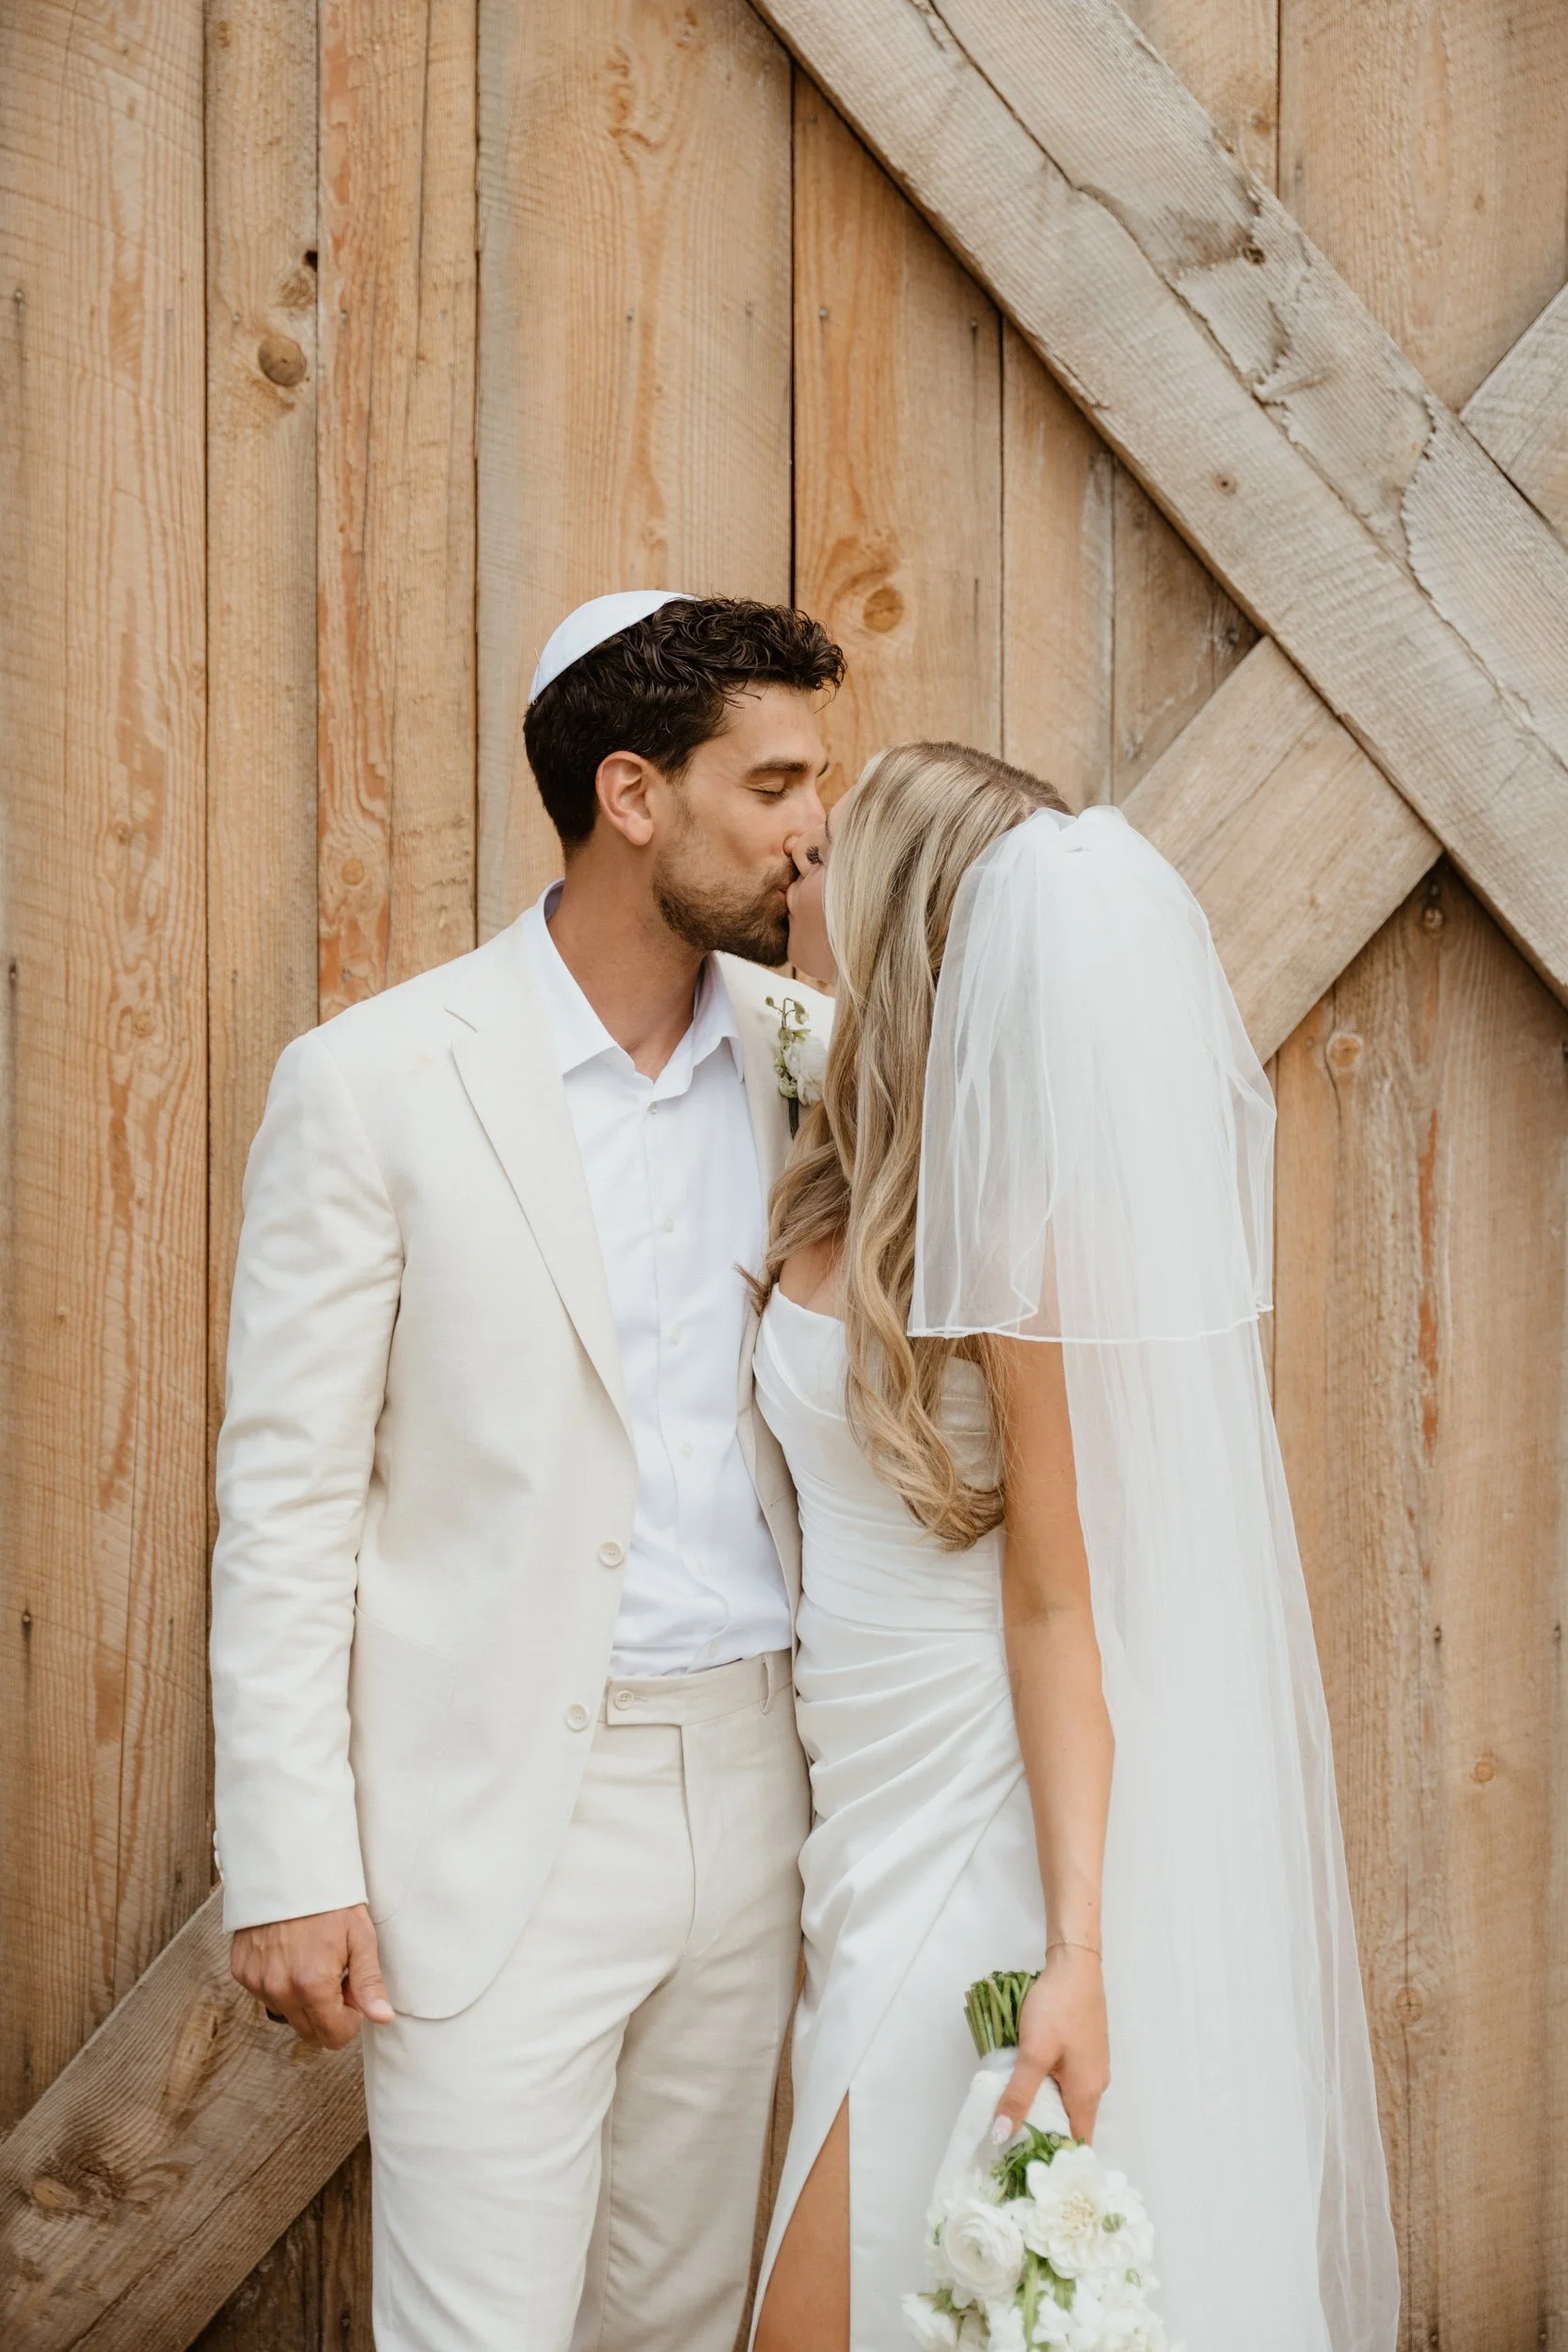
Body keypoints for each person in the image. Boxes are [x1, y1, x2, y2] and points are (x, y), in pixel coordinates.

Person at [209, 591, 842, 2352]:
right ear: (632, 795)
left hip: (756, 1784)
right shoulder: (377, 1083)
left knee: (678, 2317)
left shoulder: (815, 1068)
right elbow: (287, 1495)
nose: (814, 828)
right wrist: (288, 1857)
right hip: (496, 1819)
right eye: (774, 781)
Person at [751, 743, 1401, 2352]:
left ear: (898, 918)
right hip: (853, 1811)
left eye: (826, 853)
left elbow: (1056, 1605)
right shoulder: (833, 1175)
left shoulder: (1031, 1240)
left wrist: (1075, 1946)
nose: (793, 872)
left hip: (982, 1804)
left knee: (823, 2320)